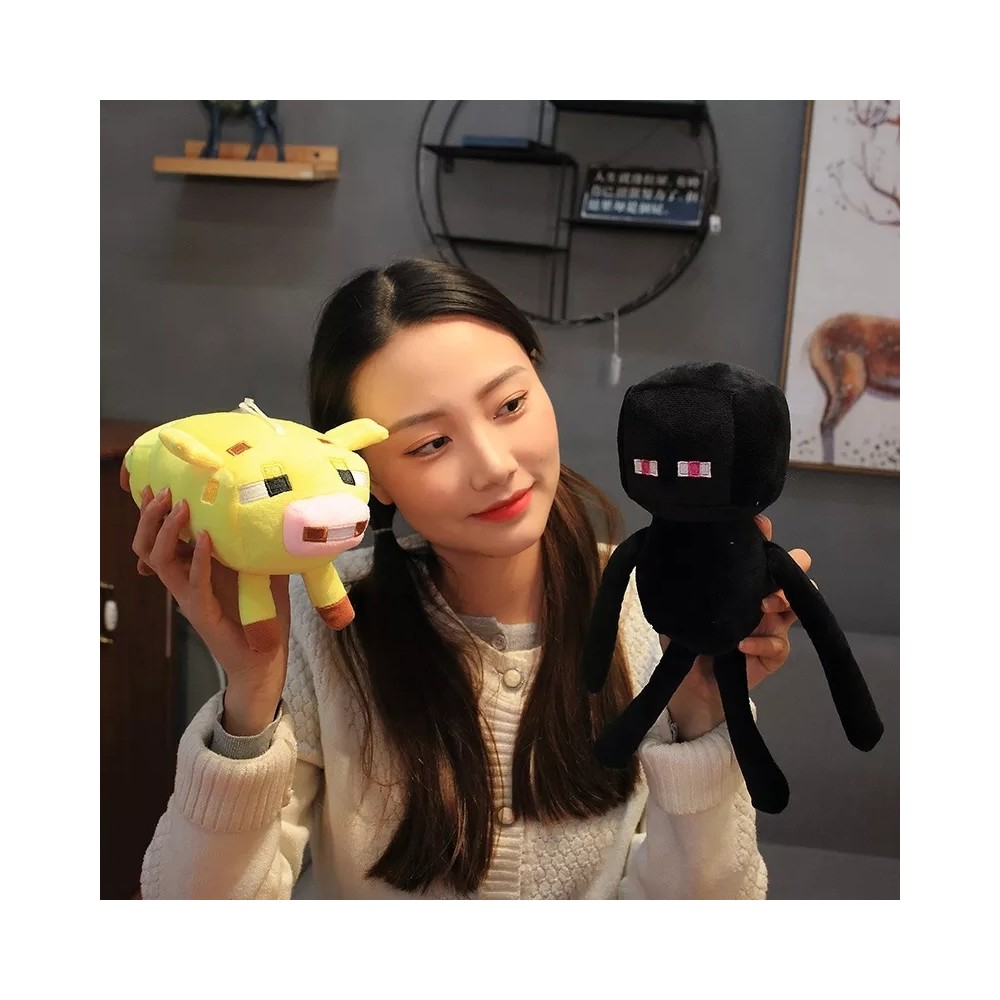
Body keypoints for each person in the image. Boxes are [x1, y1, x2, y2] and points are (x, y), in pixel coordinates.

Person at [134, 257, 811, 899]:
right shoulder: (322, 622)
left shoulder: (649, 610)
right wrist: (251, 699)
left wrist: (703, 715)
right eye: (430, 443)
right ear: (368, 476)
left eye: (510, 405)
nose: (493, 465)